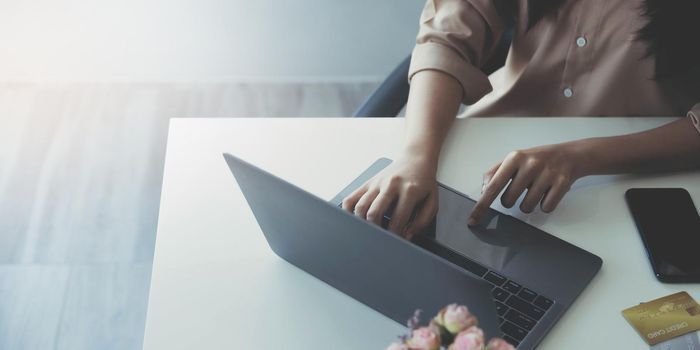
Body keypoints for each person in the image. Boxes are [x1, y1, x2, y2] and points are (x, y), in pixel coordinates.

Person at [342, 0, 700, 239]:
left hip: (634, 180)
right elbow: (446, 37)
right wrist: (416, 155)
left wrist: (581, 156)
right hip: (479, 152)